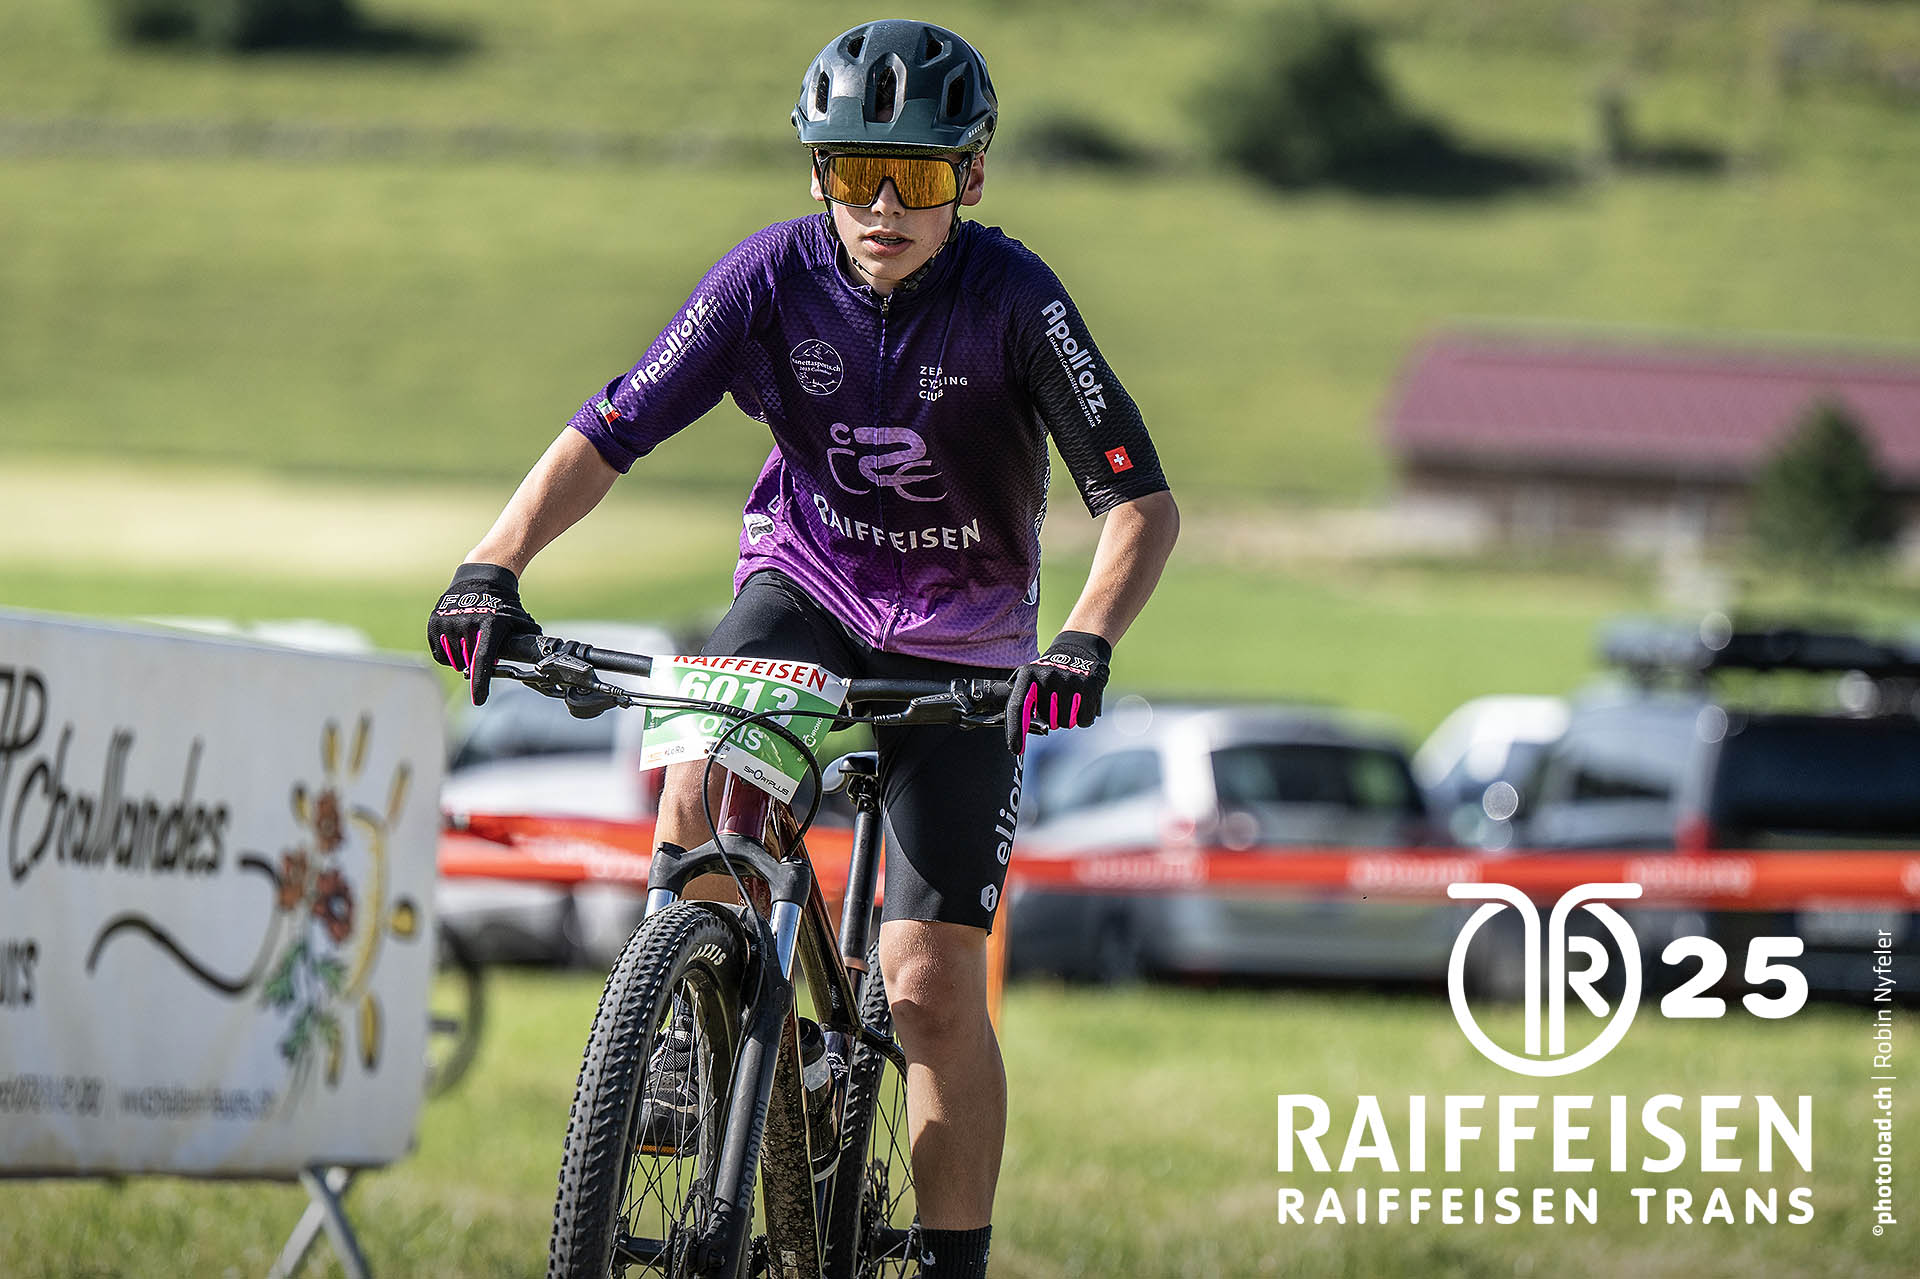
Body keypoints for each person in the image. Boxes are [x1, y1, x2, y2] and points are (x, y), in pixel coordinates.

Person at [427, 19, 1178, 1277]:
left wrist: (1084, 641)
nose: (883, 207)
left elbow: (1139, 503)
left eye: (917, 177)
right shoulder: (769, 278)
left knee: (929, 986)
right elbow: (609, 429)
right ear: (816, 172)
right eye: (854, 173)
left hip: (969, 642)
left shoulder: (1015, 299)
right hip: (808, 587)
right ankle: (686, 1031)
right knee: (702, 784)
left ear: (970, 177)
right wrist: (491, 564)